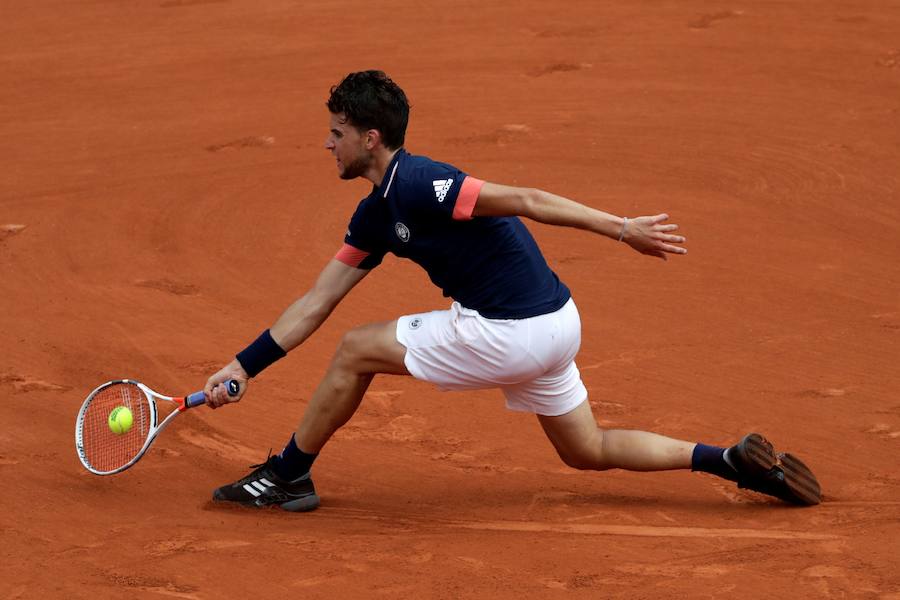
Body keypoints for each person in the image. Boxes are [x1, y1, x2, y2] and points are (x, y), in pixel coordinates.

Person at [203, 70, 821, 512]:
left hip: (510, 330)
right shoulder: (373, 215)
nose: (327, 143)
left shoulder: (422, 181)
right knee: (587, 449)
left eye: (336, 131)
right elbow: (315, 300)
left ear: (370, 138)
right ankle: (729, 462)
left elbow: (525, 200)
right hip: (556, 323)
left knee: (355, 349)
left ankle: (287, 475)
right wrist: (243, 365)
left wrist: (621, 227)